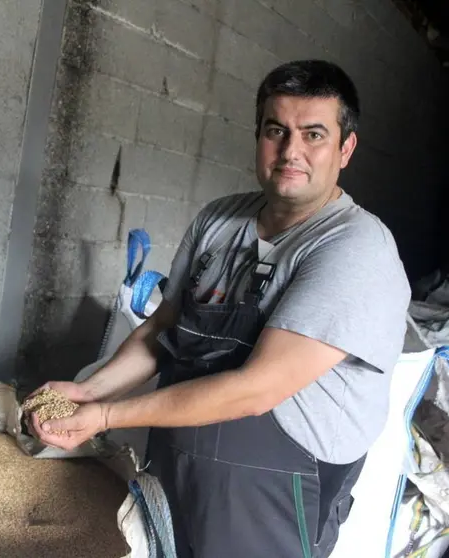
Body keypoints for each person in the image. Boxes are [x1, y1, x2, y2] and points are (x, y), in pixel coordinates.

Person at [29, 59, 411, 557]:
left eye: (314, 134)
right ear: (259, 136)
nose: (291, 151)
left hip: (274, 490)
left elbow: (257, 390)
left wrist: (102, 417)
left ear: (346, 148)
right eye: (277, 130)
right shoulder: (219, 221)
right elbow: (163, 328)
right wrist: (89, 388)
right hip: (179, 461)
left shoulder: (355, 248)